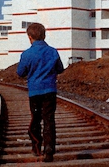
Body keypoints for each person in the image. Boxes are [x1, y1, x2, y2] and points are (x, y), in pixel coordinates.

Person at [17, 22, 64, 162]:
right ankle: (49, 150)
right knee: (49, 120)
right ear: (44, 36)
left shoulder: (26, 54)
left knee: (36, 119)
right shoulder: (53, 52)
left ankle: (36, 148)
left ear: (30, 37)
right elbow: (60, 69)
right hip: (50, 90)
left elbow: (20, 72)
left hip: (34, 92)